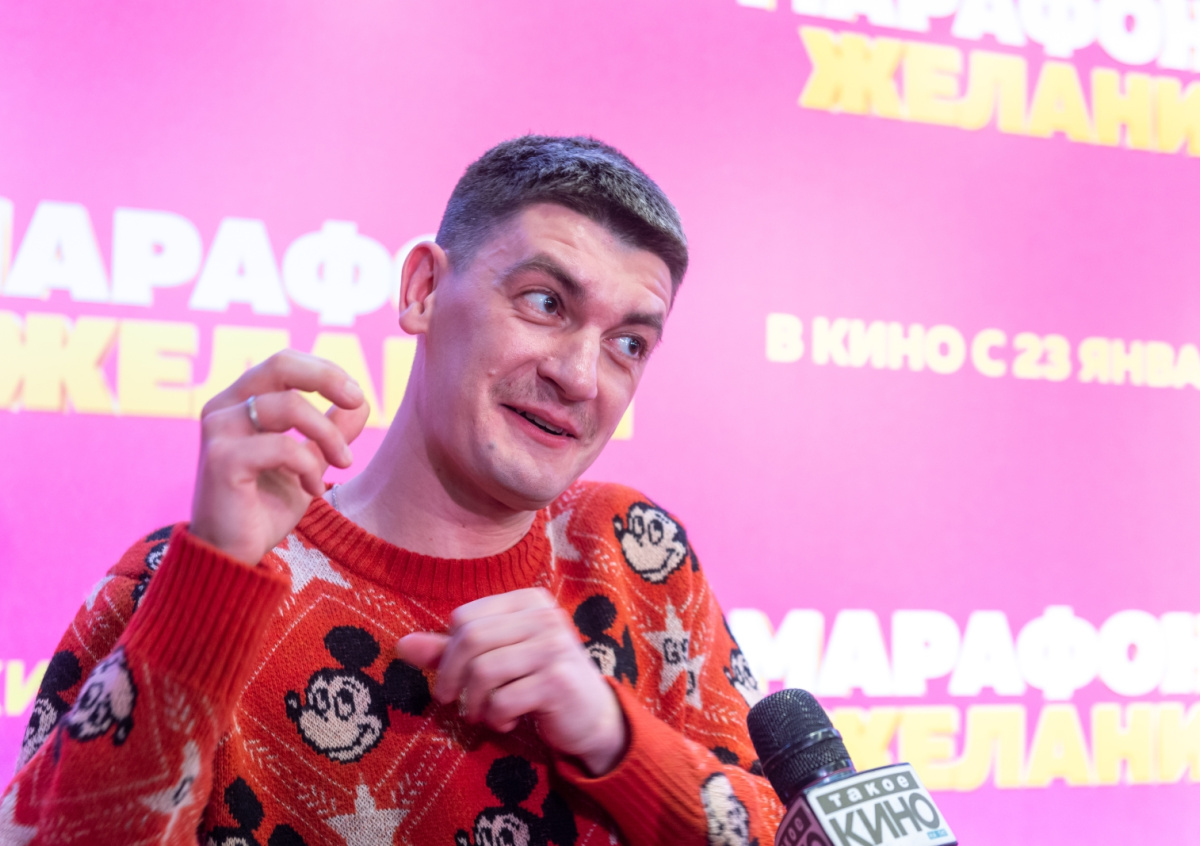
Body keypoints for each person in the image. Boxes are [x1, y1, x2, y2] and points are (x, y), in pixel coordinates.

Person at [1, 136, 783, 846]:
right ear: (423, 290)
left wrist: (619, 741)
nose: (580, 377)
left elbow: (786, 826)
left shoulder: (636, 552)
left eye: (628, 344)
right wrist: (209, 591)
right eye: (546, 303)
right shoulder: (185, 575)